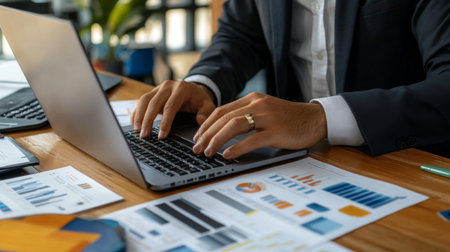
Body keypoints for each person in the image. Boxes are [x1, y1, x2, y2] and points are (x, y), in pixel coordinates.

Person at [132, 0, 450, 159]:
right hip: (296, 161)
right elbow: (241, 35)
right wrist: (203, 83)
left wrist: (321, 117)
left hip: (408, 159)